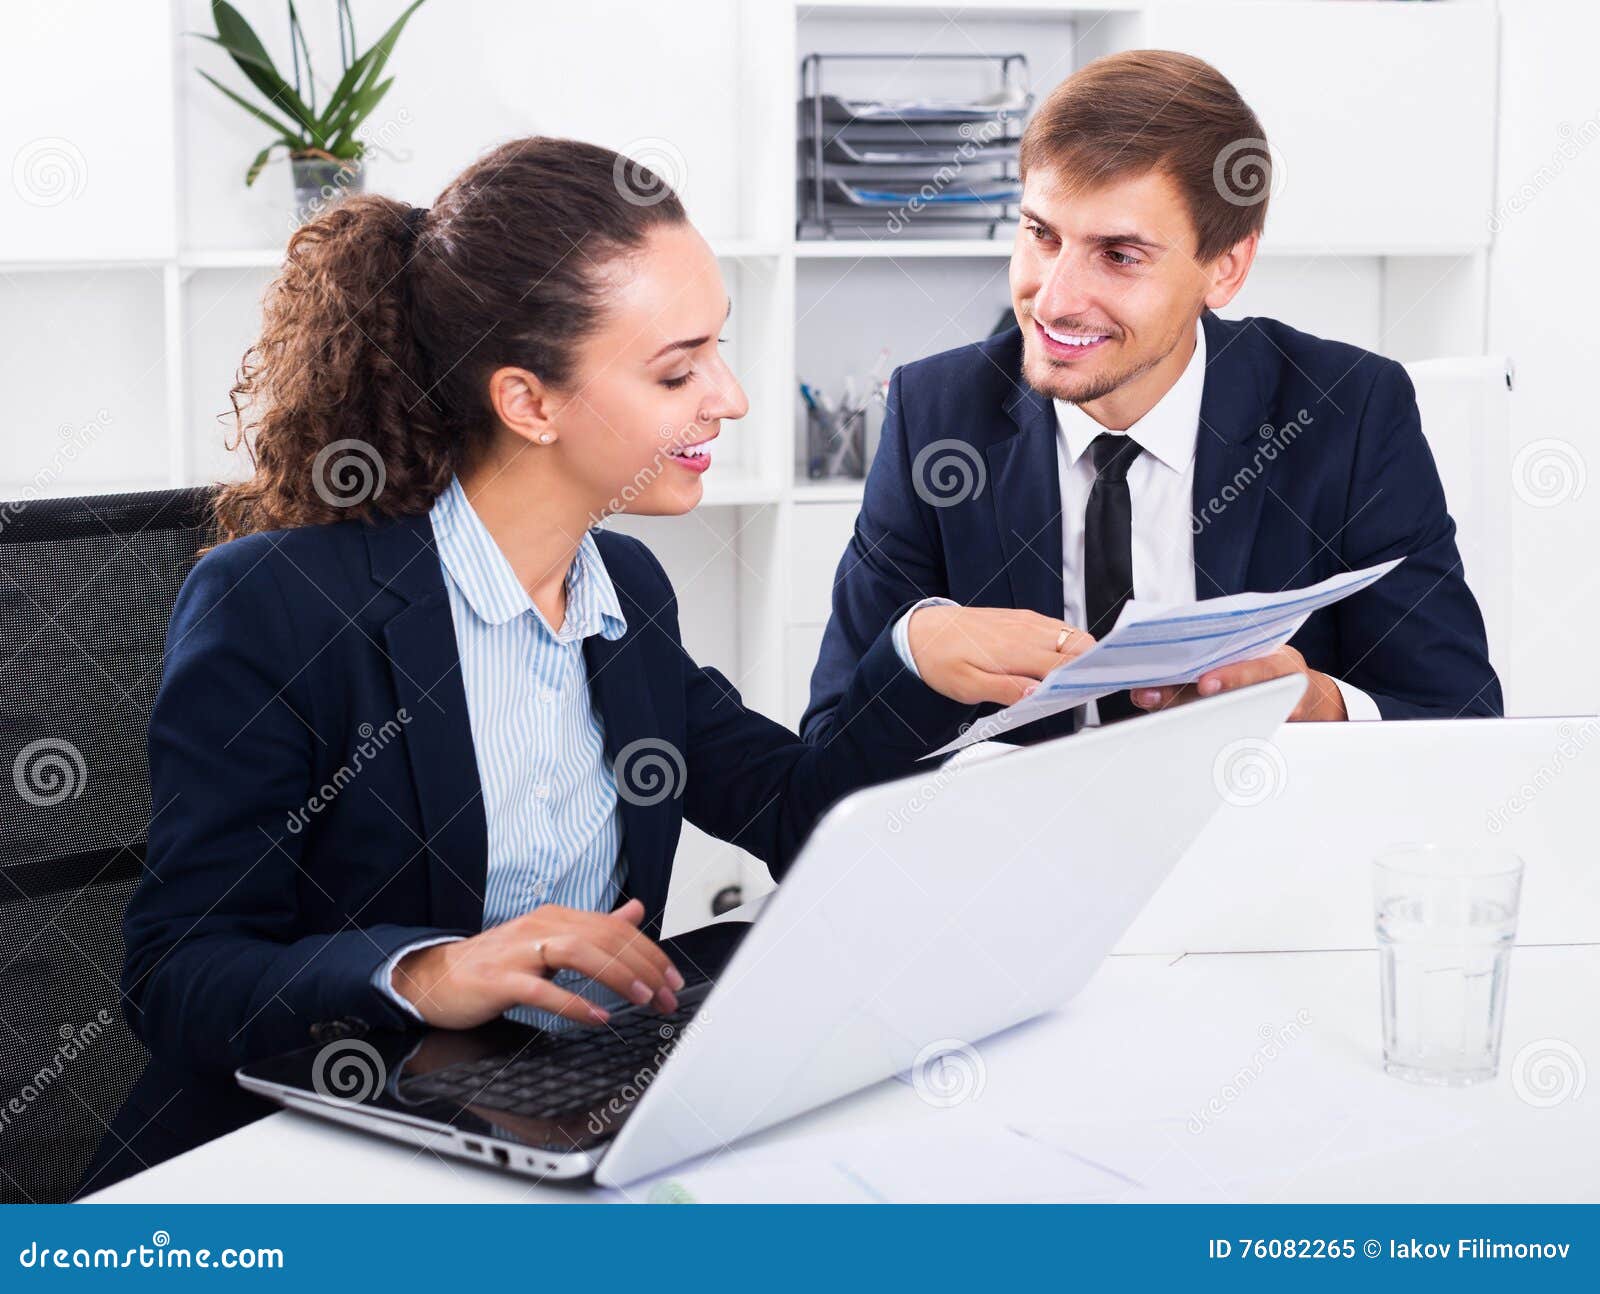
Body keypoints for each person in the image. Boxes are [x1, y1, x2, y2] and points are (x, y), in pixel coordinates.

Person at [80, 138, 1084, 1195]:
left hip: (549, 1119)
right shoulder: (280, 605)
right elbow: (176, 974)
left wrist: (913, 660)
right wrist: (426, 970)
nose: (730, 398)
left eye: (719, 351)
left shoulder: (627, 595)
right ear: (530, 402)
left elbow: (799, 811)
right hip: (296, 1164)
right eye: (677, 368)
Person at [803, 50, 1502, 749]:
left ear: (1225, 269)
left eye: (1120, 255)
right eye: (1041, 235)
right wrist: (915, 656)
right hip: (1016, 845)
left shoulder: (1349, 410)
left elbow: (1463, 726)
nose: (1054, 300)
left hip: (1257, 839)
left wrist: (1318, 704)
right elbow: (828, 754)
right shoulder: (935, 413)